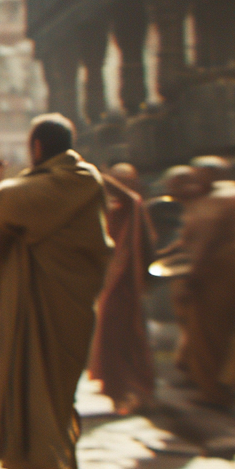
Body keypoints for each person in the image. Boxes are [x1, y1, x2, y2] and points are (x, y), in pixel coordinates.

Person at [0, 114, 112, 469]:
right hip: (70, 313)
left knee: (25, 403)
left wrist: (0, 186)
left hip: (36, 309)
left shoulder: (42, 188)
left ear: (37, 148)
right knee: (57, 407)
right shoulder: (88, 181)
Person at [162, 158, 235, 409]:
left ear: (213, 173)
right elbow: (189, 236)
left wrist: (196, 270)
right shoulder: (206, 197)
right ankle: (203, 382)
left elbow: (210, 238)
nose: (194, 180)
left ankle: (216, 391)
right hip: (207, 268)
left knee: (214, 331)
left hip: (223, 268)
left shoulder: (228, 194)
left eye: (198, 174)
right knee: (198, 328)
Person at [89, 164, 156, 414]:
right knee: (110, 339)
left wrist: (98, 175)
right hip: (110, 282)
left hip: (127, 283)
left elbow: (145, 246)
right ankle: (118, 390)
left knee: (130, 339)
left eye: (126, 180)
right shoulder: (111, 209)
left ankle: (135, 391)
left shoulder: (133, 206)